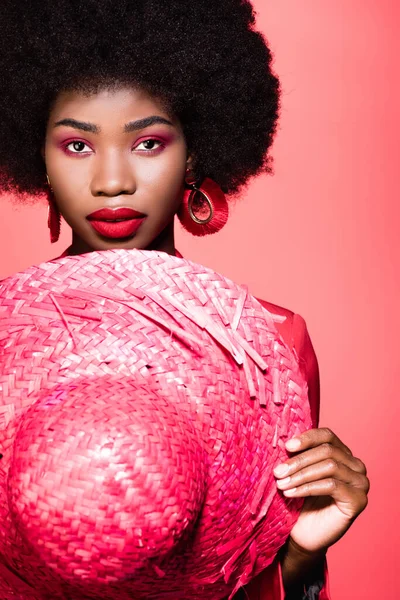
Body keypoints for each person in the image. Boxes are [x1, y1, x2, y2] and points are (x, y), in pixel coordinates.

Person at [0, 1, 370, 598]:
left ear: (194, 153)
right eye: (77, 146)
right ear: (36, 159)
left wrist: (298, 555)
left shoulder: (268, 344)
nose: (112, 181)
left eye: (148, 143)